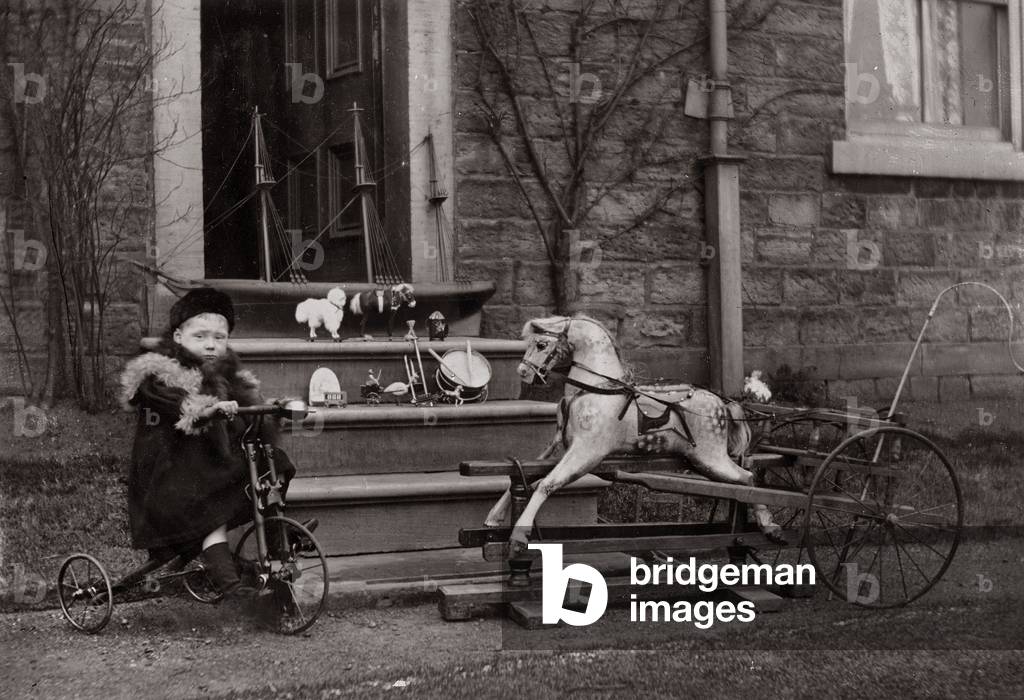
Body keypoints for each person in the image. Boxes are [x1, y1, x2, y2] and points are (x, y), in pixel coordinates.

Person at [118, 287, 297, 595]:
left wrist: (268, 411)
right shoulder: (159, 375)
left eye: (219, 337)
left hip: (204, 472)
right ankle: (229, 585)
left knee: (275, 461)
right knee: (211, 510)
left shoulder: (230, 378)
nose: (211, 345)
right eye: (200, 337)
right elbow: (178, 407)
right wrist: (208, 410)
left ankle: (280, 537)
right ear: (177, 337)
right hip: (166, 483)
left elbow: (247, 424)